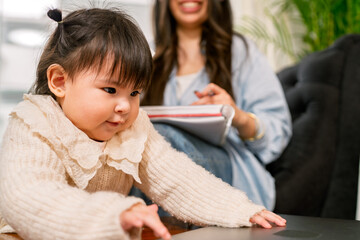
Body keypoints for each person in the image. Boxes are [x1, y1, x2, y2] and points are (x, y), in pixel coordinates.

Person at [0, 7, 286, 240]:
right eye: (110, 90)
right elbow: (30, 196)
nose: (125, 106)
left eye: (135, 93)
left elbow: (178, 179)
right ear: (59, 81)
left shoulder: (131, 129)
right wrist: (115, 215)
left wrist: (240, 210)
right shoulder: (33, 122)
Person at [139, 0, 292, 211]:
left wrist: (237, 115)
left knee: (165, 139)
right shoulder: (147, 54)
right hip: (154, 158)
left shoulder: (241, 52)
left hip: (227, 166)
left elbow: (277, 131)